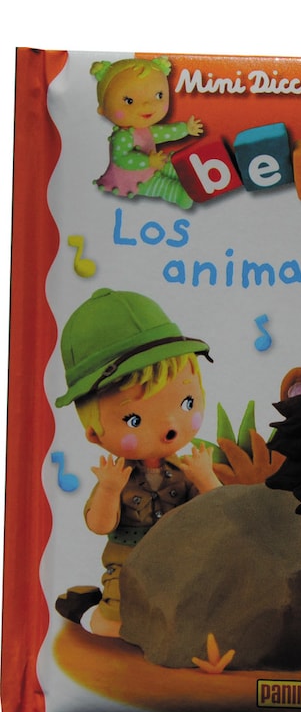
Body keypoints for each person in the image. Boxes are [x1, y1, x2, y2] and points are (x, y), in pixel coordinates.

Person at [54, 288, 220, 636]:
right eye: (134, 419)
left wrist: (205, 478)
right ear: (94, 433)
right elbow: (100, 525)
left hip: (182, 560)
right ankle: (87, 608)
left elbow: (218, 511)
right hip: (128, 563)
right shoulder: (117, 476)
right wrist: (109, 490)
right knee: (113, 626)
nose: (171, 426)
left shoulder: (187, 469)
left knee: (199, 615)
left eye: (187, 403)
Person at [91, 56, 202, 208]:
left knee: (173, 163)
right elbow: (122, 159)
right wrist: (148, 161)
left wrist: (186, 129)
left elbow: (165, 132)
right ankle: (178, 193)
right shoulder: (123, 136)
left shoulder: (146, 130)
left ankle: (186, 174)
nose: (148, 105)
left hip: (154, 162)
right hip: (135, 177)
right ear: (102, 109)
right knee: (161, 185)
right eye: (129, 101)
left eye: (159, 96)